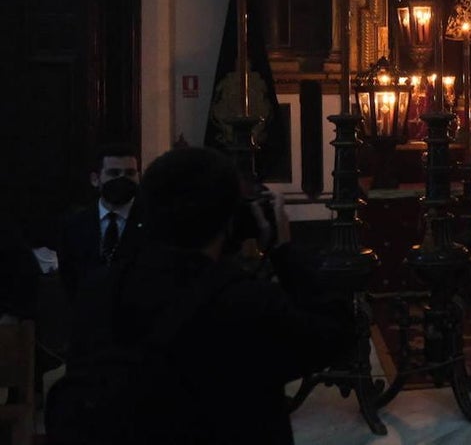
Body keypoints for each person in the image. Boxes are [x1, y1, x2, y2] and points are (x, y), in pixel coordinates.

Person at [49, 147, 356, 445]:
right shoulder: (247, 302)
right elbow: (334, 334)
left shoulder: (100, 291)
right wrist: (284, 252)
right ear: (230, 219)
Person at [57, 142, 144, 300]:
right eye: (114, 173)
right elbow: (68, 277)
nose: (122, 179)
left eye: (130, 173)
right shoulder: (74, 225)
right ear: (95, 179)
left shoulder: (152, 222)